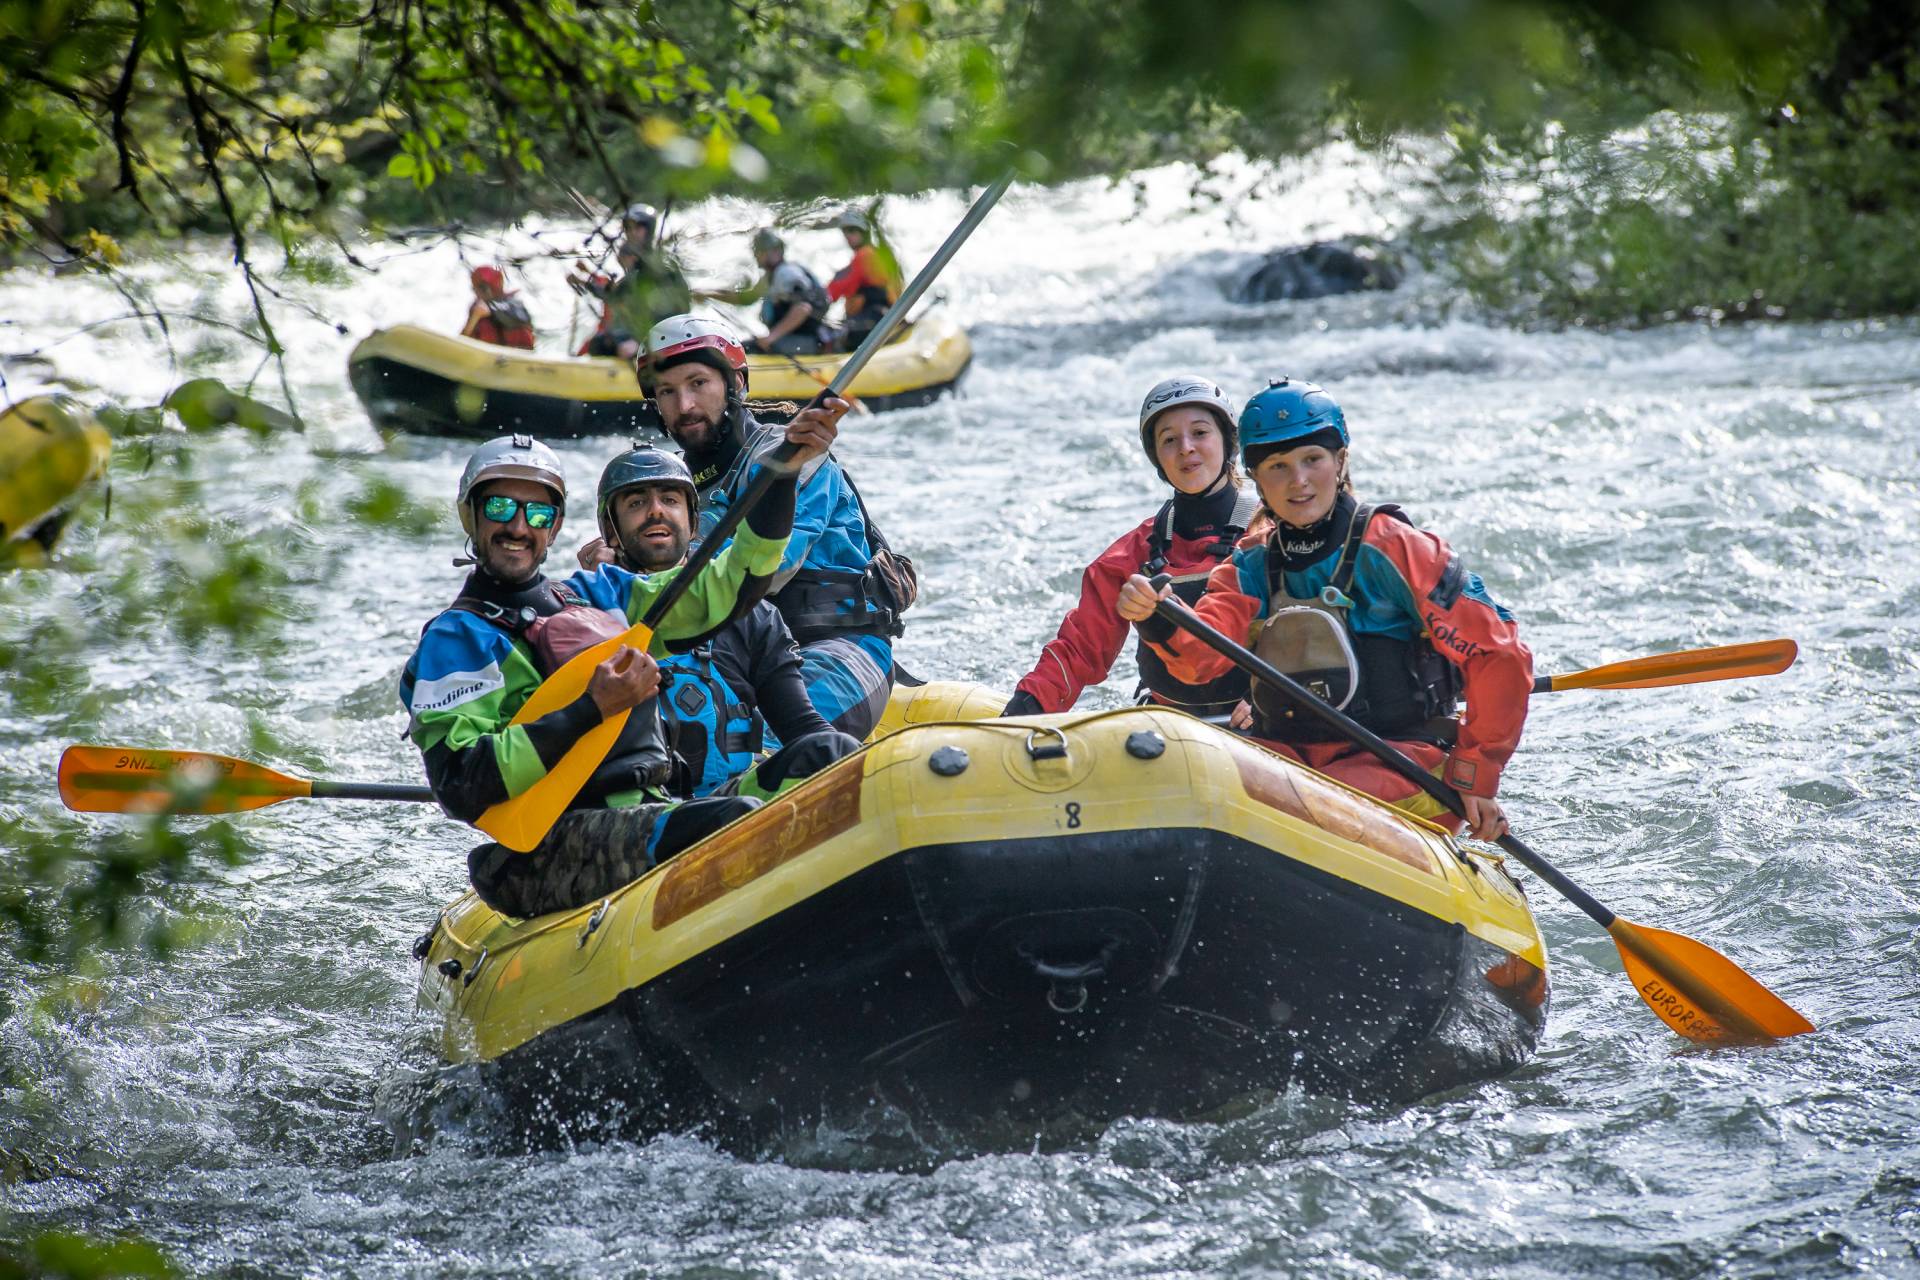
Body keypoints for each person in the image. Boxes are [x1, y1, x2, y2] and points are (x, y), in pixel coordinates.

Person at [399, 408, 843, 920]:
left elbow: (731, 583)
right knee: (733, 824)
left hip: (649, 805)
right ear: (471, 516)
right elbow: (462, 784)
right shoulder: (457, 637)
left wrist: (780, 475)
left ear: (556, 526)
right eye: (500, 508)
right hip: (545, 845)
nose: (519, 527)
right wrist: (592, 708)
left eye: (538, 514)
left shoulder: (600, 593)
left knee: (829, 753)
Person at [1115, 378, 1532, 840]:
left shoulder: (1395, 548)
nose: (1298, 481)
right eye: (1277, 466)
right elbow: (1201, 660)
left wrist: (1476, 772)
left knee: (1300, 807)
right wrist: (1157, 616)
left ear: (1340, 460)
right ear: (1255, 478)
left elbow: (1498, 654)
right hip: (1291, 759)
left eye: (1312, 459)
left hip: (1400, 761)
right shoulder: (1252, 563)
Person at [605, 314, 905, 739]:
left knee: (744, 746)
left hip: (838, 646)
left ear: (736, 384)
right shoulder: (670, 492)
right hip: (738, 658)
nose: (684, 406)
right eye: (667, 393)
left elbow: (765, 570)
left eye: (698, 384)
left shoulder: (799, 458)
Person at [582, 445, 862, 799]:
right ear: (611, 529)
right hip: (636, 816)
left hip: (728, 806)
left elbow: (802, 726)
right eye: (636, 504)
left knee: (830, 749)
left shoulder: (752, 617)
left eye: (670, 500)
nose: (656, 511)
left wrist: (853, 762)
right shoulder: (584, 621)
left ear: (693, 521)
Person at [1003, 376, 1261, 719]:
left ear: (1228, 442)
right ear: (1157, 458)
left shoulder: (1271, 532)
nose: (1185, 447)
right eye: (1169, 439)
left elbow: (1307, 629)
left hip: (1263, 721)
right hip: (1171, 726)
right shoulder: (1135, 552)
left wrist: (1273, 702)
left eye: (1200, 433)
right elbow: (1080, 649)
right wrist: (1024, 709)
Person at [569, 203, 693, 359]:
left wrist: (642, 342)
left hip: (662, 339)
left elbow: (677, 311)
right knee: (600, 343)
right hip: (638, 336)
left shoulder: (661, 266)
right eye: (628, 229)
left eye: (638, 228)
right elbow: (615, 296)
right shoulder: (636, 269)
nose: (632, 233)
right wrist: (585, 283)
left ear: (649, 230)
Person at [697, 228, 833, 356]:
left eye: (760, 252)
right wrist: (708, 294)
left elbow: (803, 308)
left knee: (747, 349)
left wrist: (770, 338)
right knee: (739, 348)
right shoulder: (768, 278)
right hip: (792, 339)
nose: (757, 256)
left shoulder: (787, 273)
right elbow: (744, 299)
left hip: (807, 341)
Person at [825, 208, 902, 351]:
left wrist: (820, 297)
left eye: (853, 231)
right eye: (845, 232)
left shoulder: (864, 256)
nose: (848, 236)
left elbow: (838, 287)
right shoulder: (876, 254)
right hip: (881, 317)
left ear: (864, 232)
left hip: (874, 318)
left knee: (832, 336)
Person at [460, 265, 536, 350]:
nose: (477, 292)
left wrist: (492, 310)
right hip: (483, 351)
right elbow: (463, 340)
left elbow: (523, 325)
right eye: (475, 288)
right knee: (483, 323)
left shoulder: (513, 303)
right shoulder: (477, 306)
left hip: (516, 352)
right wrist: (475, 317)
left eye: (482, 288)